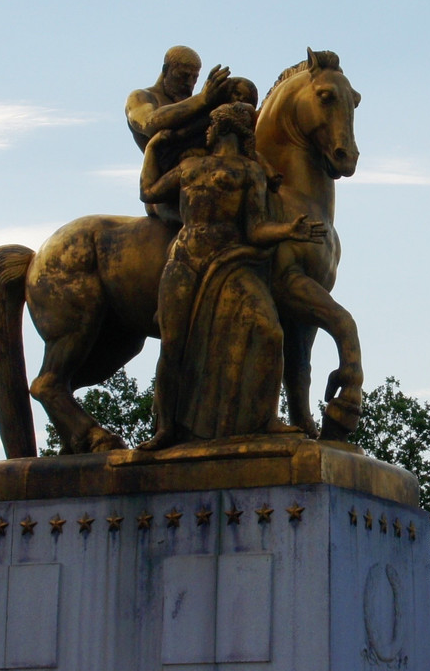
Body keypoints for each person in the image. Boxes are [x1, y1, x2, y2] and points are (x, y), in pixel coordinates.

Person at [137, 103, 325, 449]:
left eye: (211, 125)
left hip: (230, 261)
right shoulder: (189, 166)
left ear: (223, 128)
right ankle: (165, 428)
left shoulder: (249, 172)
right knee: (173, 344)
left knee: (269, 331)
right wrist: (151, 149)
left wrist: (288, 230)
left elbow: (254, 230)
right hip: (185, 260)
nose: (206, 131)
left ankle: (265, 418)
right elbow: (148, 193)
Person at [126, 46, 233, 226]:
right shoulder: (142, 97)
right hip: (164, 191)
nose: (189, 83)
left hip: (203, 178)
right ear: (166, 70)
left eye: (194, 78)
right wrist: (202, 99)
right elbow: (150, 123)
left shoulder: (193, 105)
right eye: (183, 76)